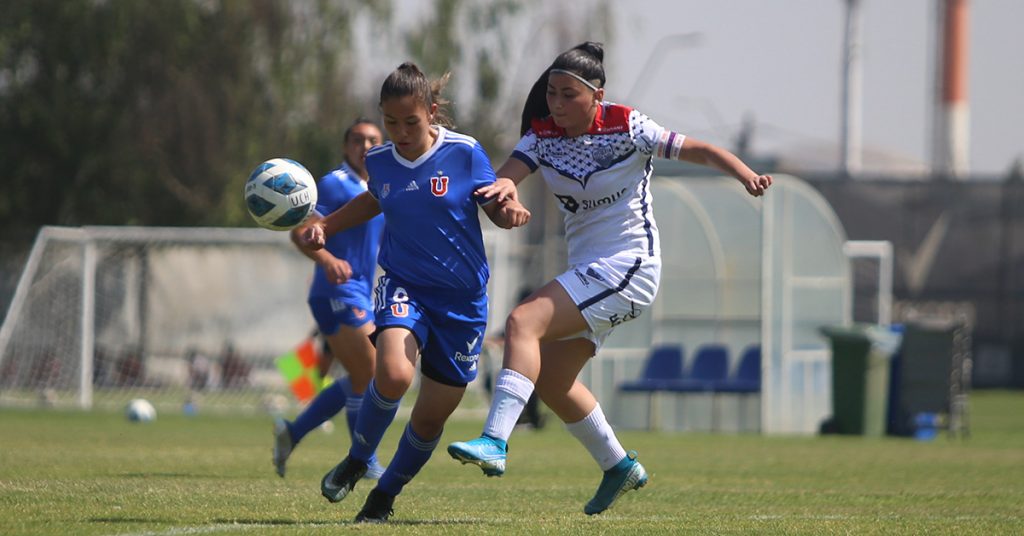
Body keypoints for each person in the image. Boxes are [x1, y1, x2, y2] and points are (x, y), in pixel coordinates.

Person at [448, 41, 772, 515]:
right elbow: (506, 181)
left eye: (568, 95)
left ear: (596, 96)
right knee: (554, 381)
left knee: (522, 322)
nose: (556, 104)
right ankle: (618, 466)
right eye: (552, 94)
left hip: (631, 265)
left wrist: (744, 173)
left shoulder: (628, 125)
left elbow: (696, 148)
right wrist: (507, 198)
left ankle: (495, 440)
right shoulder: (540, 138)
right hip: (590, 273)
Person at [297, 62, 530, 524]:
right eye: (391, 122)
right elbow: (374, 198)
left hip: (463, 304)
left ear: (432, 112)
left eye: (411, 122)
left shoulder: (465, 153)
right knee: (393, 374)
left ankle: (384, 495)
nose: (400, 132)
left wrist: (511, 212)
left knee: (428, 421)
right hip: (403, 286)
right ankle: (358, 457)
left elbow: (494, 205)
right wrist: (325, 224)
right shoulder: (380, 162)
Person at [272, 118, 386, 480]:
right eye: (357, 140)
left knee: (360, 376)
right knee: (373, 371)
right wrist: (328, 259)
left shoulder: (380, 186)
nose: (365, 146)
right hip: (336, 291)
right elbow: (299, 232)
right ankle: (363, 460)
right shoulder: (334, 184)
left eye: (372, 140)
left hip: (358, 292)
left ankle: (293, 432)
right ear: (345, 146)